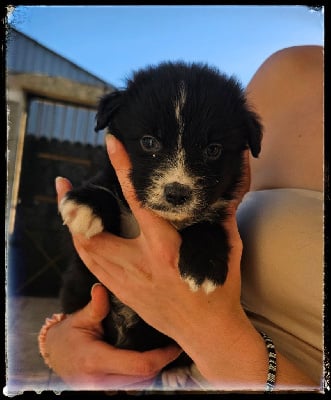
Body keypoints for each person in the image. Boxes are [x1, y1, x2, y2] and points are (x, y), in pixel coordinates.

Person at [38, 45, 324, 392]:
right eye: (149, 143)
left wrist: (206, 334)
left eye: (212, 151)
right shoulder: (292, 69)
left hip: (182, 362)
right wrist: (60, 344)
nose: (179, 179)